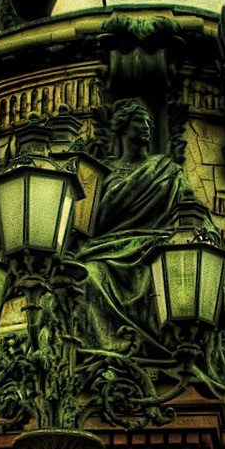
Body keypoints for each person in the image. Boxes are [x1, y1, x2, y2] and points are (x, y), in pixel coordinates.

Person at [77, 99, 206, 351]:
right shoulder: (104, 173)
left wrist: (207, 239)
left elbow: (192, 211)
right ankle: (110, 349)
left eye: (148, 121)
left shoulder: (167, 170)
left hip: (154, 252)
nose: (146, 126)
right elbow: (91, 223)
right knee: (88, 276)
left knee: (159, 280)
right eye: (139, 120)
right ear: (123, 127)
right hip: (107, 251)